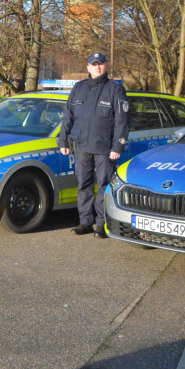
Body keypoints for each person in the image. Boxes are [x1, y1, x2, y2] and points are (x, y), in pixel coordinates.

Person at [57, 52, 130, 239]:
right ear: (88, 67)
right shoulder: (79, 88)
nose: (98, 67)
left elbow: (122, 121)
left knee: (104, 186)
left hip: (105, 148)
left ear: (106, 65)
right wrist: (63, 139)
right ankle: (85, 222)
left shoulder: (114, 89)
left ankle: (102, 224)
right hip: (82, 146)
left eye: (101, 63)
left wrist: (117, 147)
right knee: (84, 185)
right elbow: (68, 116)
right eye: (94, 64)